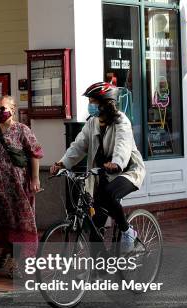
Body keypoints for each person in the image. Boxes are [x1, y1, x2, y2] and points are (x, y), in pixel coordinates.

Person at [50, 82, 145, 253]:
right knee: (95, 225)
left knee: (108, 194)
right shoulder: (92, 123)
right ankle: (100, 270)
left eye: (93, 102)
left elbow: (122, 145)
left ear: (105, 102)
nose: (90, 106)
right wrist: (62, 163)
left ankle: (127, 231)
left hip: (127, 171)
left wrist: (116, 163)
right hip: (101, 175)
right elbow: (78, 146)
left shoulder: (121, 121)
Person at [0, 96, 43, 276]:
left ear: (12, 110)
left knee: (18, 222)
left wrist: (35, 179)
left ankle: (15, 261)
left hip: (16, 188)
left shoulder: (22, 130)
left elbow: (35, 153)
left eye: (2, 108)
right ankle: (7, 249)